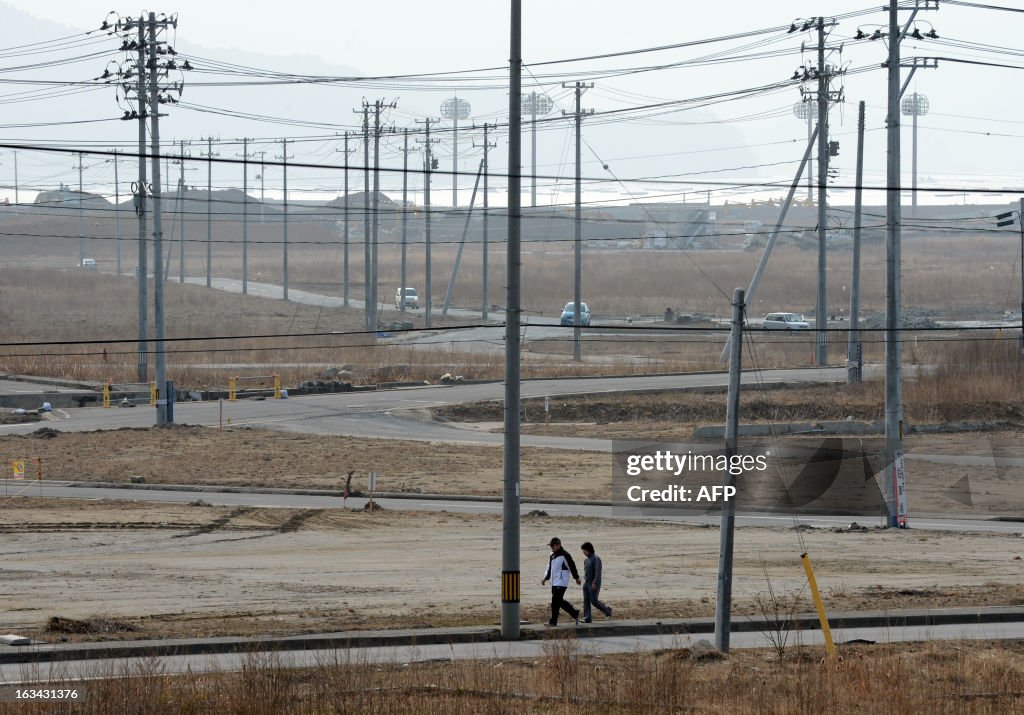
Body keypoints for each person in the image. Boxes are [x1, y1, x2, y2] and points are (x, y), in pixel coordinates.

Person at [540, 537, 581, 626]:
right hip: (554, 582)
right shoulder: (552, 555)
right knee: (558, 601)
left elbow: (572, 566)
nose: (551, 547)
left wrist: (576, 577)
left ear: (558, 545)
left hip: (562, 582)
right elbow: (550, 568)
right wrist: (546, 578)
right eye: (550, 545)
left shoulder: (565, 555)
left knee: (555, 602)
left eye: (553, 545)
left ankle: (553, 621)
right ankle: (574, 613)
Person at [580, 542, 613, 622]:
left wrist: (594, 582)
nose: (583, 552)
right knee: (586, 601)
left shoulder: (596, 558)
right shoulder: (586, 560)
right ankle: (587, 617)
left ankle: (608, 611)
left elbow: (598, 572)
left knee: (594, 601)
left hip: (593, 583)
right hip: (586, 583)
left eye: (583, 550)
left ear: (588, 549)